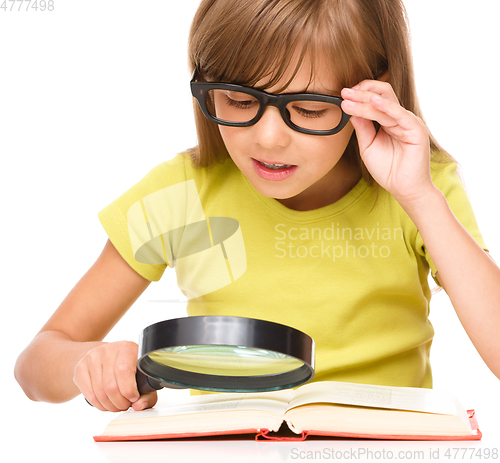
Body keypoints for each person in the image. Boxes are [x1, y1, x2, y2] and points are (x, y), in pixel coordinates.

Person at [14, 0, 500, 413]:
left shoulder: (421, 189)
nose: (268, 139)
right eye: (237, 99)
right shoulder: (183, 193)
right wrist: (89, 366)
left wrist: (419, 197)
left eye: (308, 109)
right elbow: (35, 365)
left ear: (374, 94)